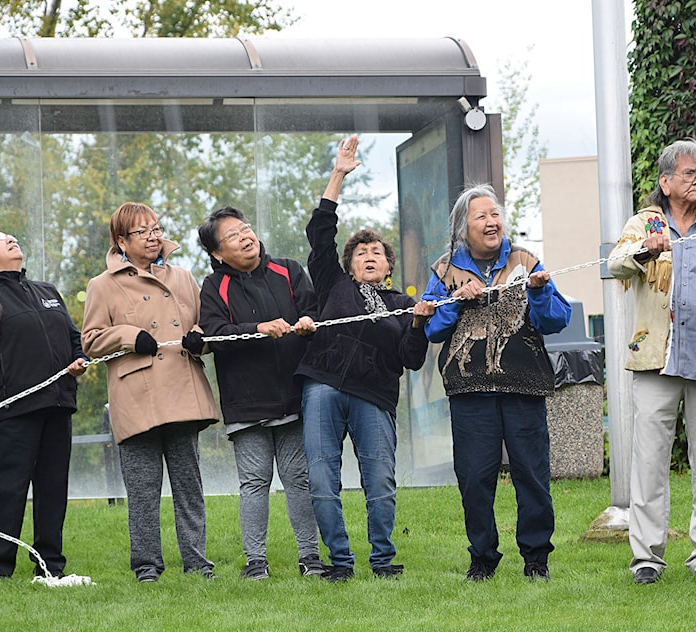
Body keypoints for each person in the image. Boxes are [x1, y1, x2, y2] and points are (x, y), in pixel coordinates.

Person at [295, 135, 434, 582]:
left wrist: (417, 324)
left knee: (380, 483)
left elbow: (411, 361)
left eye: (377, 252)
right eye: (361, 252)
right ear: (349, 265)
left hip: (374, 397)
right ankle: (339, 562)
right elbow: (319, 233)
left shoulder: (401, 304)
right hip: (323, 386)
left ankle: (382, 561)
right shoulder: (333, 285)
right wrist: (338, 174)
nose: (370, 256)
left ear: (388, 267)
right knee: (321, 479)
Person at [606, 139, 696, 585]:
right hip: (654, 361)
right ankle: (647, 557)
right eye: (690, 173)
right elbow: (615, 264)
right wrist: (646, 248)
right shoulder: (644, 222)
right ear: (666, 182)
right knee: (649, 463)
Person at [421, 184, 572, 582]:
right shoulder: (443, 270)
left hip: (524, 386)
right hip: (470, 393)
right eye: (481, 216)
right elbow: (431, 329)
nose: (492, 222)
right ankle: (482, 558)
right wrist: (456, 301)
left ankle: (536, 559)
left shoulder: (525, 259)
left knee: (533, 476)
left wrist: (538, 293)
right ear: (462, 229)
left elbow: (556, 319)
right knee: (474, 478)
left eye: (495, 215)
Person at [82, 202, 219, 583]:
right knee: (142, 491)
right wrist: (129, 337)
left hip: (182, 391)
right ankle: (147, 565)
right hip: (137, 396)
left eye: (156, 228)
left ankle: (197, 561)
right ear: (121, 241)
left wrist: (199, 340)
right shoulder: (102, 285)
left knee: (189, 485)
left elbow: (205, 328)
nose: (153, 235)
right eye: (142, 232)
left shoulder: (183, 277)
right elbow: (90, 341)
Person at [0, 229, 87, 579]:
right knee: (11, 487)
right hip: (15, 409)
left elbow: (72, 337)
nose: (11, 239)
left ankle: (50, 567)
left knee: (53, 487)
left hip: (58, 402)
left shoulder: (47, 292)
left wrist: (79, 359)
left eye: (11, 236)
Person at [197, 206, 324, 581]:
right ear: (218, 253)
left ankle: (311, 557)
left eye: (246, 228)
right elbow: (214, 333)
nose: (245, 236)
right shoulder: (213, 287)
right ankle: (256, 561)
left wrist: (307, 323)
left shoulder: (288, 269)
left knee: (299, 479)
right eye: (233, 235)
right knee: (254, 482)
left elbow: (315, 310)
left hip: (293, 397)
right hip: (247, 403)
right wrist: (258, 328)